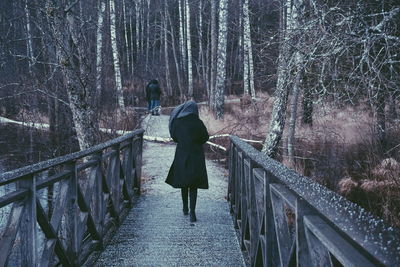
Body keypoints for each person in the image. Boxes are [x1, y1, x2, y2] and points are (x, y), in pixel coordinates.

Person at [166, 101, 209, 222]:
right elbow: (205, 137)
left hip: (182, 154)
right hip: (196, 155)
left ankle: (185, 208)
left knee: (183, 183)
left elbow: (174, 137)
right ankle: (193, 213)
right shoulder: (198, 122)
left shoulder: (178, 122)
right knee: (193, 185)